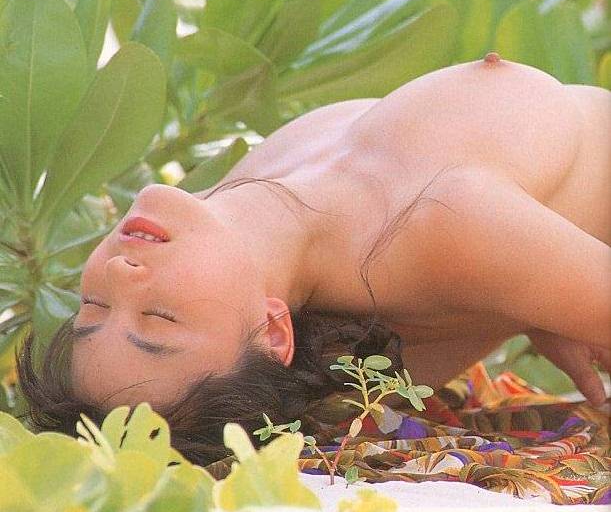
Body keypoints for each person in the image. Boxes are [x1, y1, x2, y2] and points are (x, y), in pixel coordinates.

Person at [16, 53, 610, 466]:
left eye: (93, 307)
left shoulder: (243, 200)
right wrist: (542, 287)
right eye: (159, 318)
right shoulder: (434, 225)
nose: (121, 276)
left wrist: (539, 291)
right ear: (273, 331)